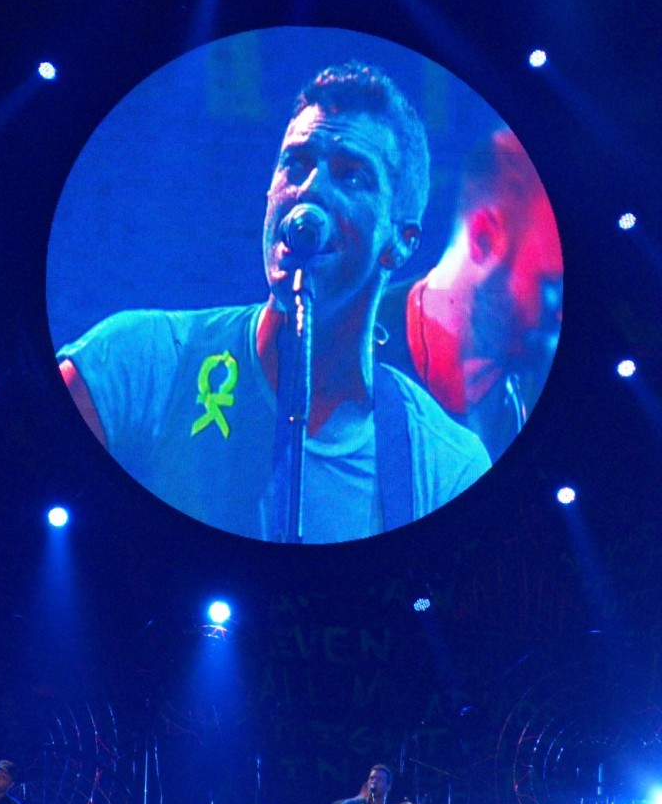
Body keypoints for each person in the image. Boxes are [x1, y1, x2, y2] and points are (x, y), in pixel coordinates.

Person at [58, 61, 490, 543]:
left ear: (401, 240)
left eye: (351, 176)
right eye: (296, 165)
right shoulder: (136, 364)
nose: (310, 190)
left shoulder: (447, 466)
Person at [377, 127, 563, 461]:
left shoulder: (538, 384)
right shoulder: (339, 355)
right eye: (552, 285)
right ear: (483, 238)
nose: (563, 314)